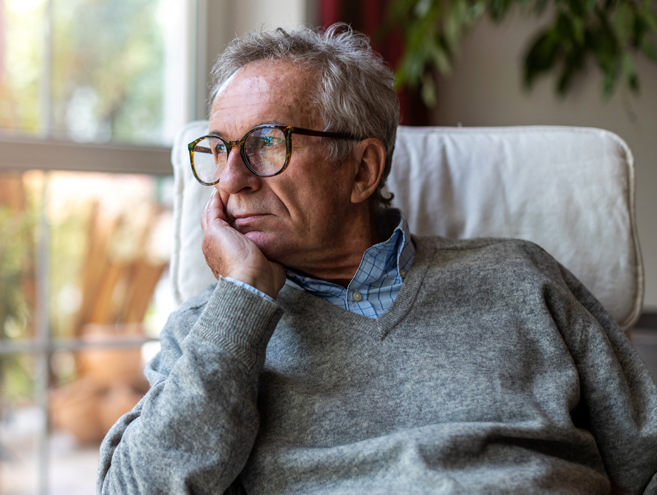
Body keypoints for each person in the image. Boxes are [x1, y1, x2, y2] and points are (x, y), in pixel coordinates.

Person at [97, 24, 657, 494]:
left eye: (266, 142)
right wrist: (242, 298)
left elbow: (647, 457)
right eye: (218, 150)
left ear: (362, 170)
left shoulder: (522, 277)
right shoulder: (211, 333)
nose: (231, 179)